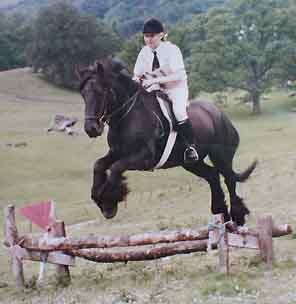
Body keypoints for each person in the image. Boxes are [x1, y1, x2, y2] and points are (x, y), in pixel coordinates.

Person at [133, 18, 199, 163]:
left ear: (161, 35)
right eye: (146, 36)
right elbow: (136, 75)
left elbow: (178, 75)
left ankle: (190, 147)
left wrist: (152, 80)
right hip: (154, 89)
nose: (148, 39)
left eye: (152, 36)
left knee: (179, 112)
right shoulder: (144, 52)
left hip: (175, 89)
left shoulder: (172, 50)